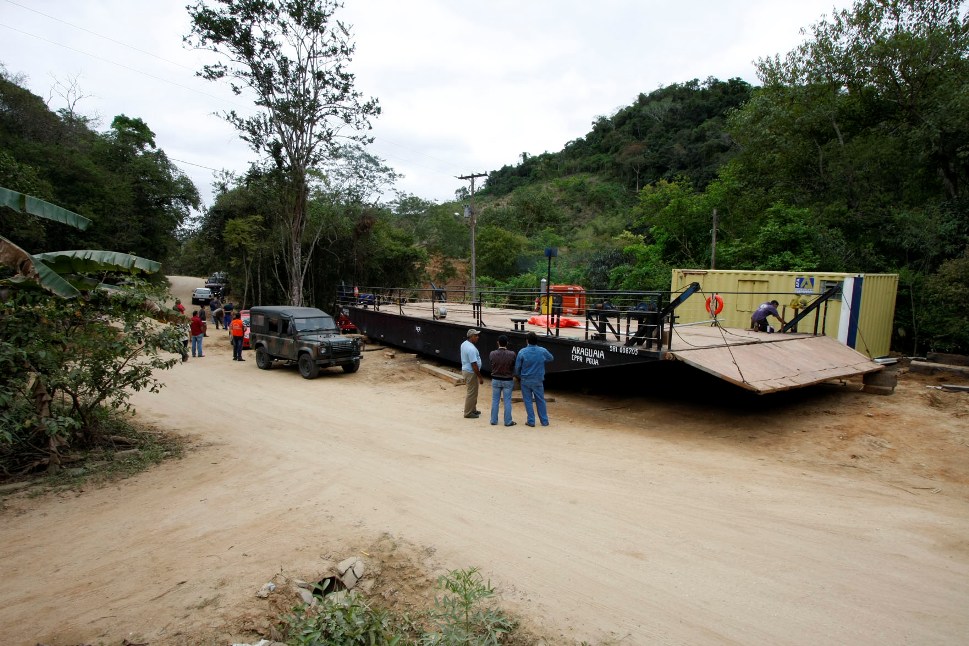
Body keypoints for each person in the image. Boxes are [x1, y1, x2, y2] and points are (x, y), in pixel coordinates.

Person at [514, 331, 554, 427]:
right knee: (540, 400)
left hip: (525, 379)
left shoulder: (522, 352)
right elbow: (551, 358)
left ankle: (531, 421)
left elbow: (517, 367)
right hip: (538, 379)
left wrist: (519, 376)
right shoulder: (542, 351)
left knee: (528, 400)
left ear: (527, 341)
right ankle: (544, 421)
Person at [489, 335, 517, 427]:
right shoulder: (512, 354)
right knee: (507, 401)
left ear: (498, 343)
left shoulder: (492, 353)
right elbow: (513, 366)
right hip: (508, 380)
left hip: (496, 379)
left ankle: (493, 420)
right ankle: (508, 421)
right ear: (507, 343)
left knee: (495, 400)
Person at [460, 329, 484, 418]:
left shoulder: (464, 344)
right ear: (471, 337)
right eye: (476, 335)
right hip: (471, 372)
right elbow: (474, 364)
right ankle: (468, 413)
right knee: (471, 393)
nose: (477, 337)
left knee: (473, 392)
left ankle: (473, 409)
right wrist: (480, 377)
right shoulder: (471, 349)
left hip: (466, 371)